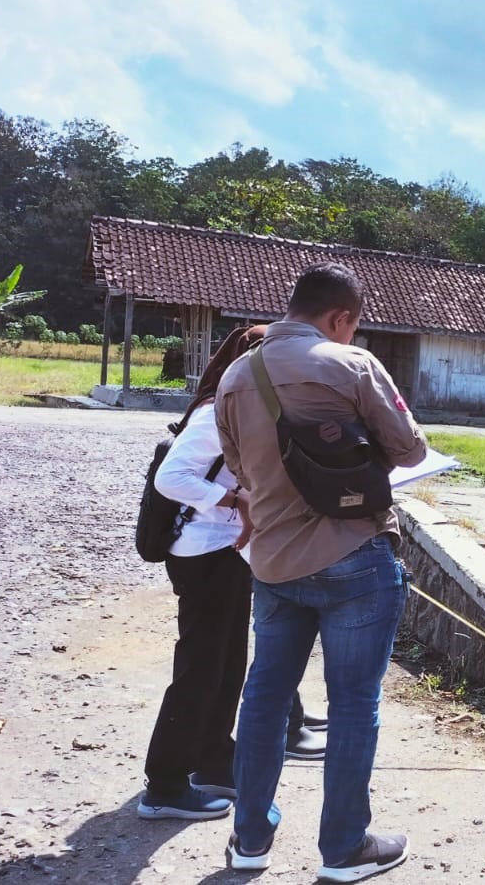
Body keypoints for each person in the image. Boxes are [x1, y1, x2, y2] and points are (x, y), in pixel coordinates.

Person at [215, 262, 427, 882]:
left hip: (275, 565)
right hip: (354, 555)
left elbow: (239, 470)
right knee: (354, 705)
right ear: (341, 317)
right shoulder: (352, 365)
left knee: (264, 699)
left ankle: (249, 840)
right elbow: (411, 449)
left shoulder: (236, 375)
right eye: (352, 325)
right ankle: (344, 848)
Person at [136, 326, 327, 822]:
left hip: (225, 552)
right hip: (202, 553)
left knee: (227, 666)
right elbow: (171, 478)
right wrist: (234, 499)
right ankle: (164, 785)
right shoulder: (213, 413)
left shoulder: (240, 407)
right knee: (199, 669)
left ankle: (214, 760)